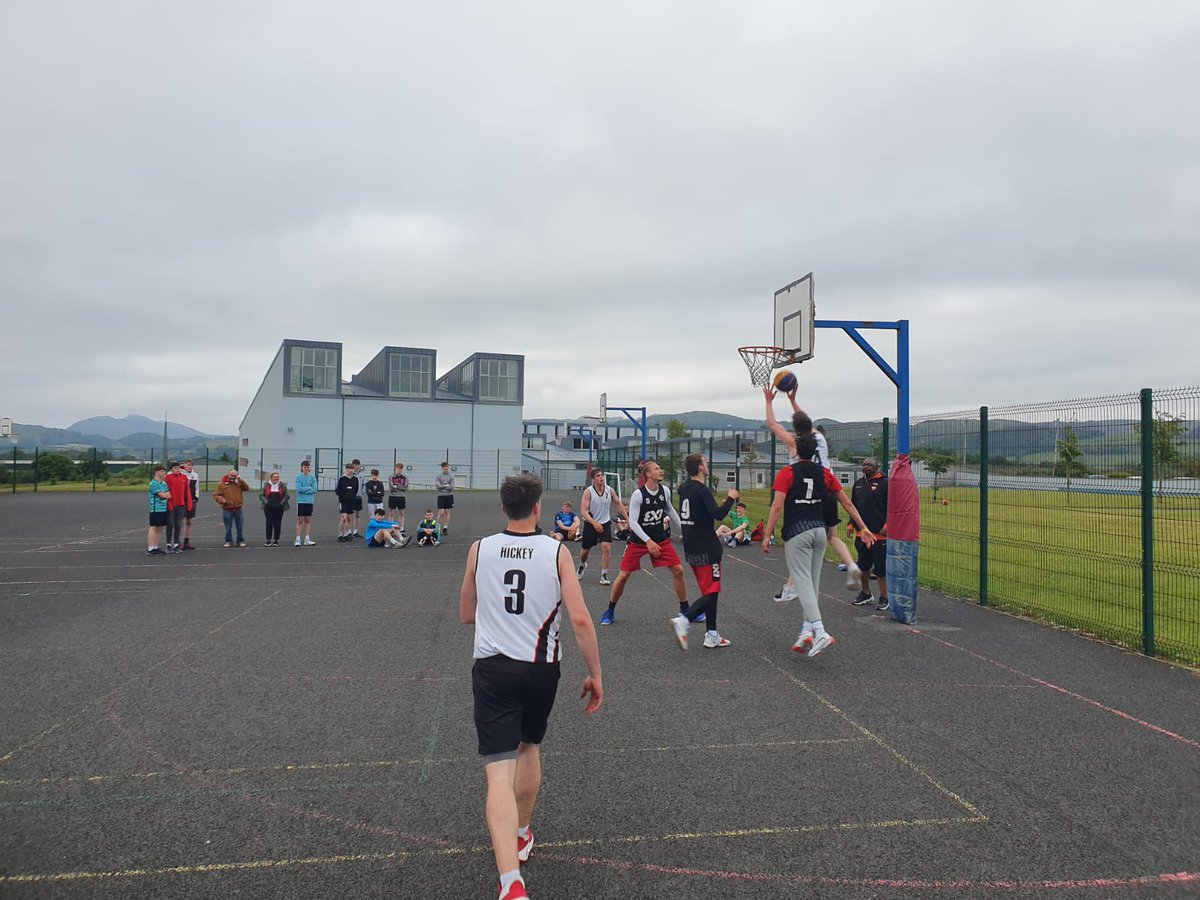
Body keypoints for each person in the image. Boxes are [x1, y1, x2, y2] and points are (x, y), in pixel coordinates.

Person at [459, 474, 602, 900]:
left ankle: (510, 883)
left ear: (504, 508)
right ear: (538, 508)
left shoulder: (480, 549)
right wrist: (595, 673)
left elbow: (467, 614)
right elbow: (579, 619)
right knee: (529, 747)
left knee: (498, 771)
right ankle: (521, 832)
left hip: (494, 668)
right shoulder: (556, 550)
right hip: (541, 668)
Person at [763, 434, 876, 657]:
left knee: (802, 583)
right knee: (812, 584)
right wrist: (863, 526)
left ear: (795, 450)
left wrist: (767, 535)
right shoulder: (824, 473)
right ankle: (807, 631)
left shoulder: (787, 473)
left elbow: (777, 506)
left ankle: (820, 630)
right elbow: (846, 502)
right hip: (819, 532)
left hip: (797, 532)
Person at [764, 386, 862, 600]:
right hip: (827, 488)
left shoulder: (794, 443)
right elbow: (805, 421)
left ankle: (792, 587)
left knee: (800, 539)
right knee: (831, 537)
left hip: (804, 495)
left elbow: (772, 424)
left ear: (795, 429)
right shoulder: (820, 438)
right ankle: (851, 564)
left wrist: (769, 401)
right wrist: (793, 399)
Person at [601, 461, 690, 626]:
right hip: (638, 541)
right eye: (657, 469)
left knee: (678, 570)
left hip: (660, 538)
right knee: (623, 576)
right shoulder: (638, 495)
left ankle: (685, 610)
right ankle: (610, 610)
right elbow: (633, 522)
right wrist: (647, 541)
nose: (661, 470)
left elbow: (670, 510)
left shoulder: (665, 491)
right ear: (648, 474)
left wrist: (684, 530)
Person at [670, 453, 739, 650]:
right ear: (700, 468)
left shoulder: (684, 487)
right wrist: (731, 499)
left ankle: (712, 634)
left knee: (710, 592)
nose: (707, 466)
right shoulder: (702, 490)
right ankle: (684, 621)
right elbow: (718, 514)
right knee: (712, 590)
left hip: (692, 547)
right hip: (707, 548)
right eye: (705, 463)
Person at [849, 457, 890, 611]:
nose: (866, 467)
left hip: (879, 534)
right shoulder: (858, 484)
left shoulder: (886, 483)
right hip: (862, 534)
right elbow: (853, 506)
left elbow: (893, 506)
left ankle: (884, 597)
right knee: (863, 566)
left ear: (877, 467)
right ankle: (866, 593)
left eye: (870, 465)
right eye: (864, 465)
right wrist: (851, 523)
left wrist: (887, 524)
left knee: (880, 568)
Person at [577, 469, 629, 587]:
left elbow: (618, 503)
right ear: (593, 479)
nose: (601, 478)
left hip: (605, 523)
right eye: (598, 476)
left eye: (602, 475)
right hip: (591, 523)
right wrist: (594, 523)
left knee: (606, 547)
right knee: (585, 550)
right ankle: (582, 565)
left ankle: (604, 575)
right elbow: (583, 511)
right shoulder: (588, 492)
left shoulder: (609, 490)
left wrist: (627, 517)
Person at [213, 468, 251, 548]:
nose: (233, 477)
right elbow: (216, 494)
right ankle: (228, 541)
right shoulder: (222, 484)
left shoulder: (239, 483)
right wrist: (220, 499)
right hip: (227, 509)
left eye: (235, 476)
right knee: (228, 527)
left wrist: (241, 481)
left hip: (238, 508)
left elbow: (247, 488)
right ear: (228, 475)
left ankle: (240, 540)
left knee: (240, 526)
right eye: (231, 475)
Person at [164, 461, 192, 554]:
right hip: (171, 505)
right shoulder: (168, 478)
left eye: (178, 468)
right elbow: (166, 490)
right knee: (170, 524)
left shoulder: (184, 478)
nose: (177, 470)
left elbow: (187, 491)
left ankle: (176, 544)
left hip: (181, 505)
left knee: (178, 524)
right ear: (171, 469)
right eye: (174, 468)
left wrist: (189, 503)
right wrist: (169, 504)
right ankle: (168, 544)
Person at [259, 471, 290, 546]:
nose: (276, 478)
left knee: (277, 523)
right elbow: (261, 495)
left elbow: (287, 495)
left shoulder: (282, 485)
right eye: (275, 477)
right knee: (269, 523)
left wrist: (281, 503)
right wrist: (266, 502)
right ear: (271, 478)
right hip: (268, 508)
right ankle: (268, 540)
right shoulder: (266, 485)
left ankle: (276, 540)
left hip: (279, 508)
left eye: (277, 477)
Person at [147, 465, 170, 555]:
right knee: (154, 527)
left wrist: (165, 495)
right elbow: (162, 495)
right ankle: (151, 547)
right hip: (156, 509)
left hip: (163, 508)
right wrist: (165, 495)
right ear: (156, 472)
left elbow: (169, 495)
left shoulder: (163, 483)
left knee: (160, 528)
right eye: (161, 471)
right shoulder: (153, 483)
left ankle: (156, 546)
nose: (163, 473)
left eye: (164, 471)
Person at [293, 460, 317, 546]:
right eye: (304, 467)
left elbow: (314, 489)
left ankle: (307, 538)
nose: (306, 469)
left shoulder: (313, 477)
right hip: (301, 501)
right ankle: (298, 539)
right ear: (301, 468)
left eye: (307, 467)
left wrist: (305, 489)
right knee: (300, 520)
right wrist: (308, 488)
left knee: (308, 520)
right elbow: (299, 489)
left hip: (309, 501)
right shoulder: (298, 477)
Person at [335, 463, 358, 542]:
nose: (351, 470)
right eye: (349, 469)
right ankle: (340, 534)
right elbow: (337, 490)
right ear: (346, 469)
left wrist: (352, 497)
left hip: (351, 501)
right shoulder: (342, 479)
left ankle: (346, 534)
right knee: (343, 518)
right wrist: (343, 496)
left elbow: (355, 489)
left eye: (352, 469)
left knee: (348, 518)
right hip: (343, 501)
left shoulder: (355, 479)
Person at [181, 459, 199, 550]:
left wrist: (196, 497)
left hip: (191, 501)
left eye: (191, 465)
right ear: (184, 465)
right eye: (188, 465)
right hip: (181, 501)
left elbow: (196, 488)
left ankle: (186, 541)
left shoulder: (195, 475)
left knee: (189, 521)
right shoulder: (181, 475)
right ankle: (177, 542)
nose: (189, 467)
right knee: (179, 521)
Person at [388, 462, 409, 533]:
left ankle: (401, 528)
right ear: (395, 468)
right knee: (391, 513)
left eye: (400, 469)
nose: (399, 470)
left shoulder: (405, 477)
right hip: (392, 496)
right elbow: (391, 487)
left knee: (402, 513)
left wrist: (397, 486)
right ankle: (390, 528)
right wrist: (399, 487)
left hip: (401, 497)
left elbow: (405, 487)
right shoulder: (391, 476)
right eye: (398, 468)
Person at [435, 461, 455, 534]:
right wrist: (445, 486)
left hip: (449, 495)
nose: (446, 468)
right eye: (444, 467)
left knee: (447, 512)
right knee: (441, 513)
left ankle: (445, 528)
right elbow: (437, 486)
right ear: (442, 468)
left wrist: (444, 486)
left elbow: (452, 487)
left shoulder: (451, 476)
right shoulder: (439, 476)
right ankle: (436, 527)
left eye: (447, 467)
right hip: (441, 496)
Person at [352, 459, 366, 537]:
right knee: (349, 514)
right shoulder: (350, 473)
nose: (357, 466)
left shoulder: (362, 475)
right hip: (351, 497)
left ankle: (355, 531)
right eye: (355, 465)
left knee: (357, 514)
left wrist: (361, 493)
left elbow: (364, 485)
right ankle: (348, 531)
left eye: (358, 465)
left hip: (358, 497)